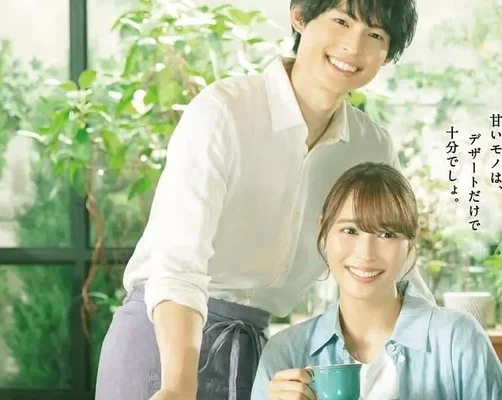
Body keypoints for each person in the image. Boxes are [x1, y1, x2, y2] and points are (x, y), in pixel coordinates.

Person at [94, 1, 435, 400]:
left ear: (387, 53)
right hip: (162, 342)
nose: (353, 46)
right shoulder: (224, 111)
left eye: (375, 35)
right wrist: (177, 386)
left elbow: (399, 268)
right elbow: (178, 264)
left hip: (256, 355)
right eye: (341, 21)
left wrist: (452, 343)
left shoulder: (370, 146)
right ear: (300, 16)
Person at [251, 162, 502, 400]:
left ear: (410, 243)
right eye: (350, 230)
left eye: (387, 234)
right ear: (323, 231)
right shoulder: (286, 352)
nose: (365, 253)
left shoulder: (456, 338)